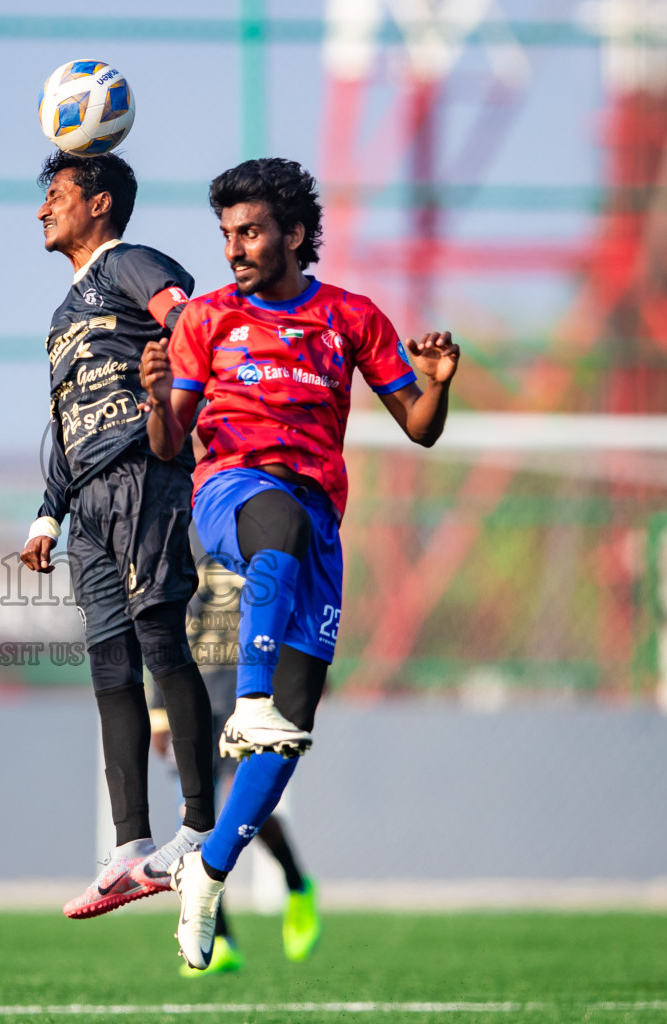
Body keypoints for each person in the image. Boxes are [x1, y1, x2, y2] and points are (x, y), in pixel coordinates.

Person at [136, 157, 459, 968]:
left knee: (291, 734)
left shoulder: (350, 318)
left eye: (249, 232)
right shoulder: (205, 319)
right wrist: (154, 398)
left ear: (296, 235)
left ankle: (208, 877)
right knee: (272, 525)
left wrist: (438, 382)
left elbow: (419, 426)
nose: (236, 248)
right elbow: (172, 444)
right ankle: (248, 699)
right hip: (233, 497)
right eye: (227, 235)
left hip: (318, 525)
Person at [19, 150, 218, 920]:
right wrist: (48, 511)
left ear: (99, 203)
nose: (42, 210)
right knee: (110, 664)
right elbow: (64, 428)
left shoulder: (128, 262)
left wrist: (177, 375)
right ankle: (132, 847)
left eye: (57, 195)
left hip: (146, 472)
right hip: (89, 503)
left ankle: (198, 829)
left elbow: (187, 316)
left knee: (161, 638)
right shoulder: (60, 322)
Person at [149, 539, 322, 976]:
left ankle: (297, 884)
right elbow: (162, 623)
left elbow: (296, 603)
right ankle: (219, 938)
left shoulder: (262, 523)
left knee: (243, 806)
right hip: (193, 692)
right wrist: (157, 711)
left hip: (251, 688)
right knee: (194, 814)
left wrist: (309, 678)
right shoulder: (176, 531)